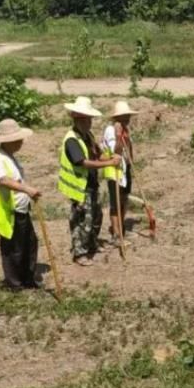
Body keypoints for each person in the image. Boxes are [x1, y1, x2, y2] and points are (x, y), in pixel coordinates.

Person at [58, 96, 120, 267]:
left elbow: (97, 154)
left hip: (91, 184)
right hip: (79, 187)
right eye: (86, 119)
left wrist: (109, 156)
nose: (89, 122)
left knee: (96, 216)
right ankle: (80, 252)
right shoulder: (72, 140)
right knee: (83, 220)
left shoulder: (88, 136)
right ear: (77, 119)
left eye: (89, 119)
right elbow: (82, 162)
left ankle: (92, 244)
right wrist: (108, 163)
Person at [0, 119, 41, 291]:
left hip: (21, 209)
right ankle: (14, 283)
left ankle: (27, 279)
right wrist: (27, 189)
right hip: (10, 211)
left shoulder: (9, 156)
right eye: (18, 139)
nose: (21, 142)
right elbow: (3, 180)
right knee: (14, 248)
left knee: (29, 243)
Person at [102, 101, 138, 242]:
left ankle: (121, 228)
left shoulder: (125, 129)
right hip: (114, 170)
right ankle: (116, 234)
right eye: (125, 116)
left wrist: (130, 163)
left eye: (128, 116)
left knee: (124, 199)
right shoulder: (111, 130)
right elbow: (115, 152)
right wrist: (118, 136)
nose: (128, 119)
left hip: (124, 169)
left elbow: (128, 151)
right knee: (115, 202)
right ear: (118, 117)